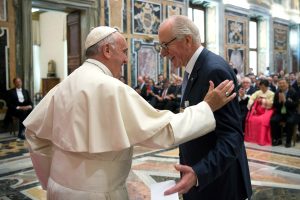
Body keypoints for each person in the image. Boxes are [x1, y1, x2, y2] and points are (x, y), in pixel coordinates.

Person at [23, 26, 236, 200]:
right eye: (124, 51)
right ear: (107, 50)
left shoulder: (64, 84)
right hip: (97, 193)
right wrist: (207, 107)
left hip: (57, 188)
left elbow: (34, 134)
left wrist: (52, 177)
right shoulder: (111, 88)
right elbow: (163, 132)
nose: (126, 59)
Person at [158, 15, 252, 199]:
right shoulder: (193, 69)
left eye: (165, 45)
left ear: (187, 40)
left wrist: (199, 172)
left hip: (218, 184)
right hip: (202, 180)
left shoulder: (213, 70)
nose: (162, 53)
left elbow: (232, 137)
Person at [270, 78, 298, 148]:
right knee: (273, 120)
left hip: (291, 113)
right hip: (280, 112)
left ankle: (288, 141)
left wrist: (285, 101)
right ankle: (277, 139)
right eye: (280, 83)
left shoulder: (293, 92)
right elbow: (274, 105)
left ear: (288, 84)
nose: (281, 85)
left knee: (290, 121)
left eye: (283, 83)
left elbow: (295, 105)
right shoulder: (277, 92)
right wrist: (279, 102)